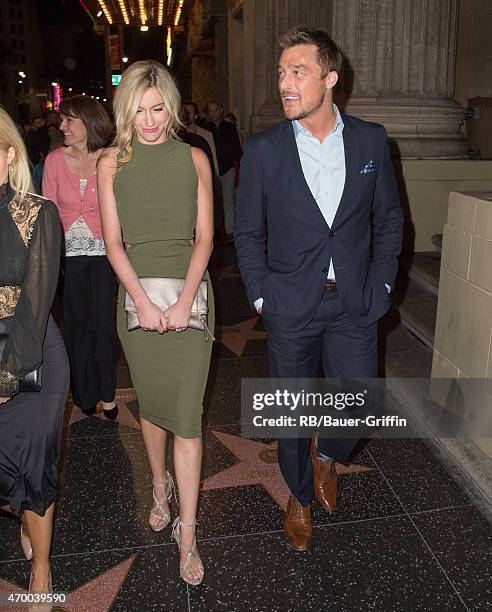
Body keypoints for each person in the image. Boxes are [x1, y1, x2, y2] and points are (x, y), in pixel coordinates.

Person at [235, 26, 404, 551]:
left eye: (298, 72)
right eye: (282, 73)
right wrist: (262, 296)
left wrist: (380, 284)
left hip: (355, 301)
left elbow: (390, 220)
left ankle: (327, 455)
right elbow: (247, 230)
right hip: (290, 305)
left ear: (330, 78)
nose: (285, 83)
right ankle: (300, 496)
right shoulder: (263, 149)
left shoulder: (373, 140)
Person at [98, 60, 214, 585]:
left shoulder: (194, 158)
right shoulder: (110, 163)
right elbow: (112, 243)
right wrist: (142, 301)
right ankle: (159, 484)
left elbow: (206, 238)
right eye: (139, 110)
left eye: (158, 107)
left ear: (171, 105)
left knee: (187, 417)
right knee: (152, 405)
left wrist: (185, 298)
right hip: (135, 296)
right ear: (126, 111)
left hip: (190, 291)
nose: (149, 120)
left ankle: (187, 534)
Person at [0, 106, 69, 602]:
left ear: (8, 157)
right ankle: (23, 512)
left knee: (34, 458)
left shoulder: (37, 213)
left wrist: (6, 377)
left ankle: (42, 567)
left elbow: (35, 304)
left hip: (32, 352)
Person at [42, 96, 118, 419]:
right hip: (69, 256)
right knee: (76, 325)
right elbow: (47, 210)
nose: (61, 126)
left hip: (105, 253)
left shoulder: (109, 158)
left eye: (68, 120)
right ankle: (85, 393)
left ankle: (109, 392)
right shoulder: (54, 160)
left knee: (103, 324)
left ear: (87, 123)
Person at [204, 100, 242, 237]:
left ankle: (230, 229)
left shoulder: (229, 127)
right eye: (210, 111)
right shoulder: (205, 128)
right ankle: (211, 230)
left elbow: (236, 148)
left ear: (220, 110)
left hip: (227, 167)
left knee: (228, 199)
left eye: (215, 110)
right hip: (210, 169)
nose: (213, 113)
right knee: (210, 199)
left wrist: (241, 167)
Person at [182, 101, 219, 176]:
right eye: (185, 112)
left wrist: (216, 178)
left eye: (189, 112)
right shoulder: (179, 135)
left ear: (196, 116)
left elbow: (213, 159)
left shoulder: (206, 134)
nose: (187, 115)